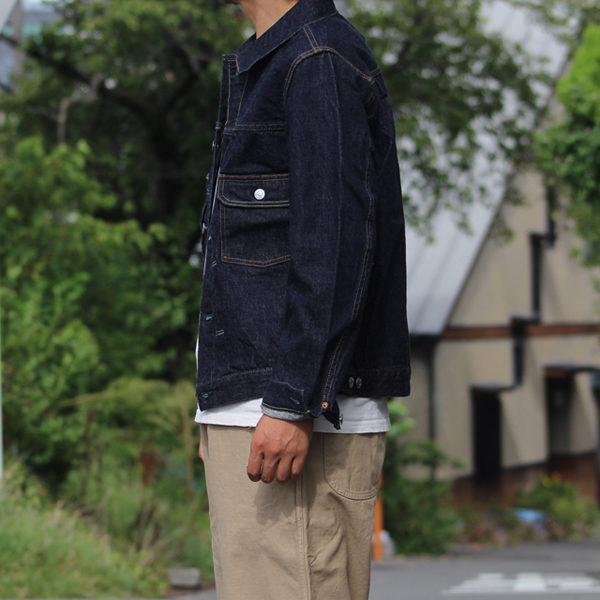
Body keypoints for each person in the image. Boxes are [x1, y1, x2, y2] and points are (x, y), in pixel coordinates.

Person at [194, 0, 410, 598]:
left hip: (293, 415)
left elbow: (334, 247)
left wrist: (291, 403)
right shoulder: (278, 62)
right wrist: (217, 406)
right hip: (258, 408)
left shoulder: (316, 61)